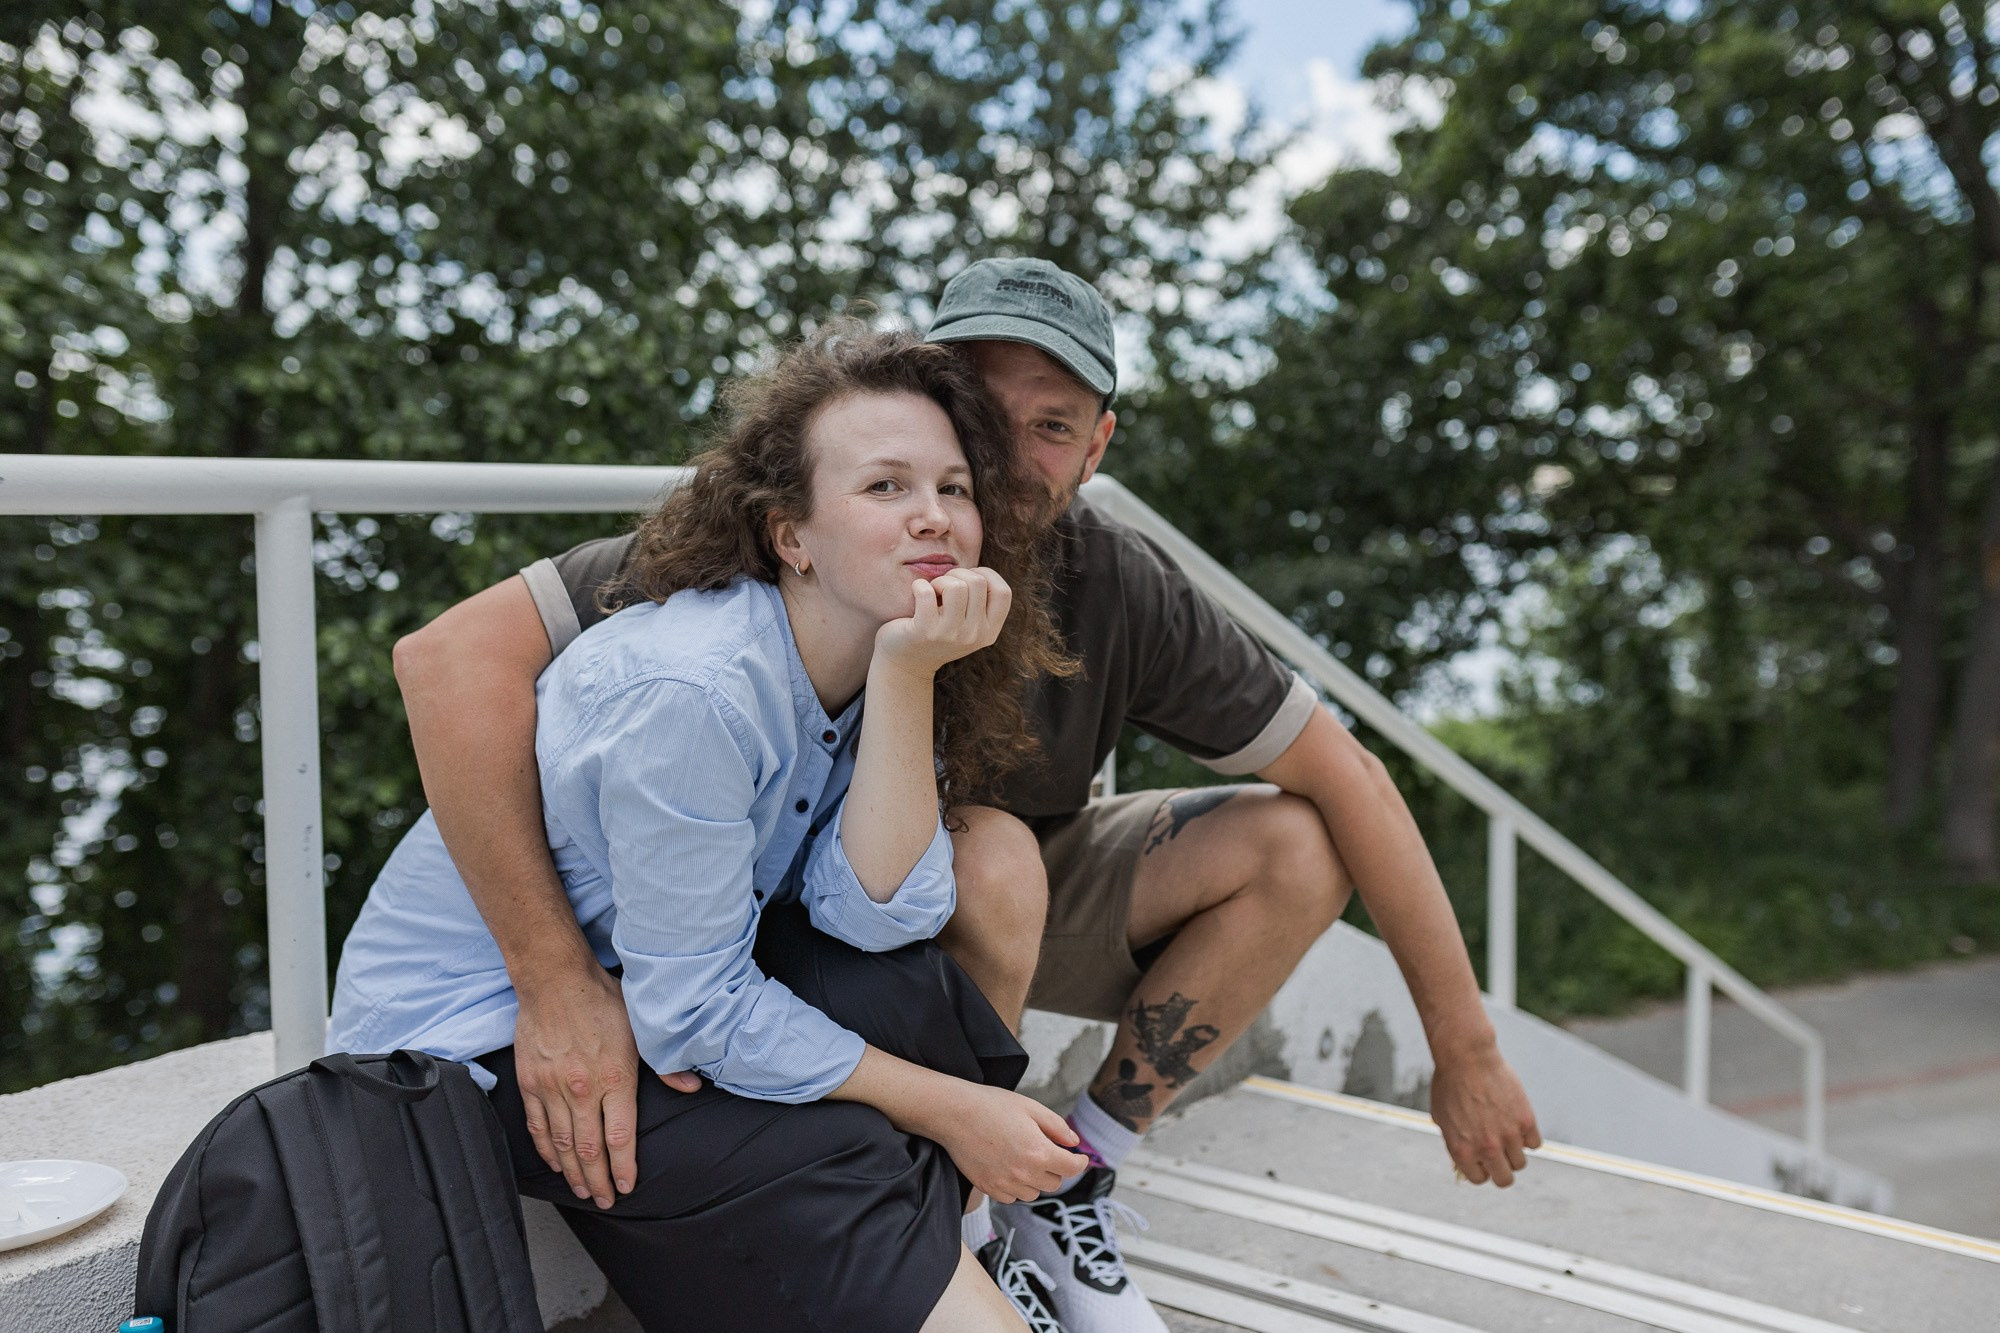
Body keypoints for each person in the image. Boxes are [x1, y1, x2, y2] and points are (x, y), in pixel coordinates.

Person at [394, 259, 1543, 1333]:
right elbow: (445, 662)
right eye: (980, 415)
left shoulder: (1108, 579)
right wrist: (552, 976)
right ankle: (960, 1218)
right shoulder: (812, 544)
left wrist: (1465, 1045)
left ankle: (1069, 1174)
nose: (1001, 457)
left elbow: (1348, 774)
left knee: (1253, 842)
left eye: (1050, 425)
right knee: (980, 862)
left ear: (1095, 447)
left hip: (931, 898)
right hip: (767, 932)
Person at [331, 325, 1084, 1331]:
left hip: (642, 984)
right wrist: (955, 1108)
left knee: (915, 1003)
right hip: (470, 1039)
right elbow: (693, 1013)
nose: (934, 516)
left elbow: (872, 922)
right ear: (791, 537)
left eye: (954, 488)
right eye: (886, 486)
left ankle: (933, 1264)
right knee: (850, 1140)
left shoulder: (875, 654)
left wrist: (908, 674)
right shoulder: (697, 690)